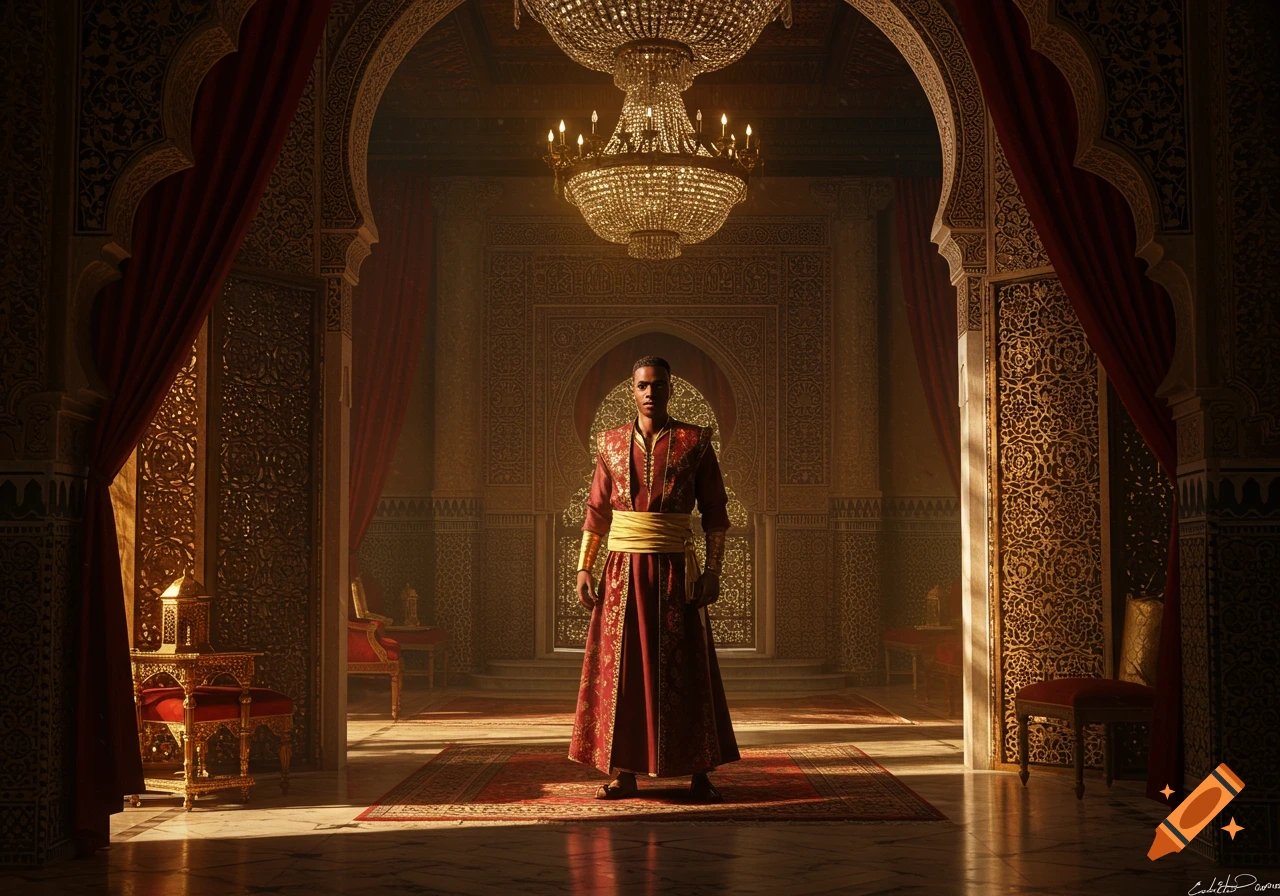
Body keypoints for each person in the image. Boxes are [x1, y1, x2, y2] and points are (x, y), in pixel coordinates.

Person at [568, 356, 740, 802]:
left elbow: (716, 515)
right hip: (622, 572)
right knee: (623, 671)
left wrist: (715, 571)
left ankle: (699, 770)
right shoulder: (608, 443)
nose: (651, 393)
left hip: (676, 574)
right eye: (643, 385)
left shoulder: (696, 442)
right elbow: (596, 512)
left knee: (686, 667)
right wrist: (584, 566)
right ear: (633, 390)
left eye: (659, 385)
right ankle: (623, 771)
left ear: (670, 389)